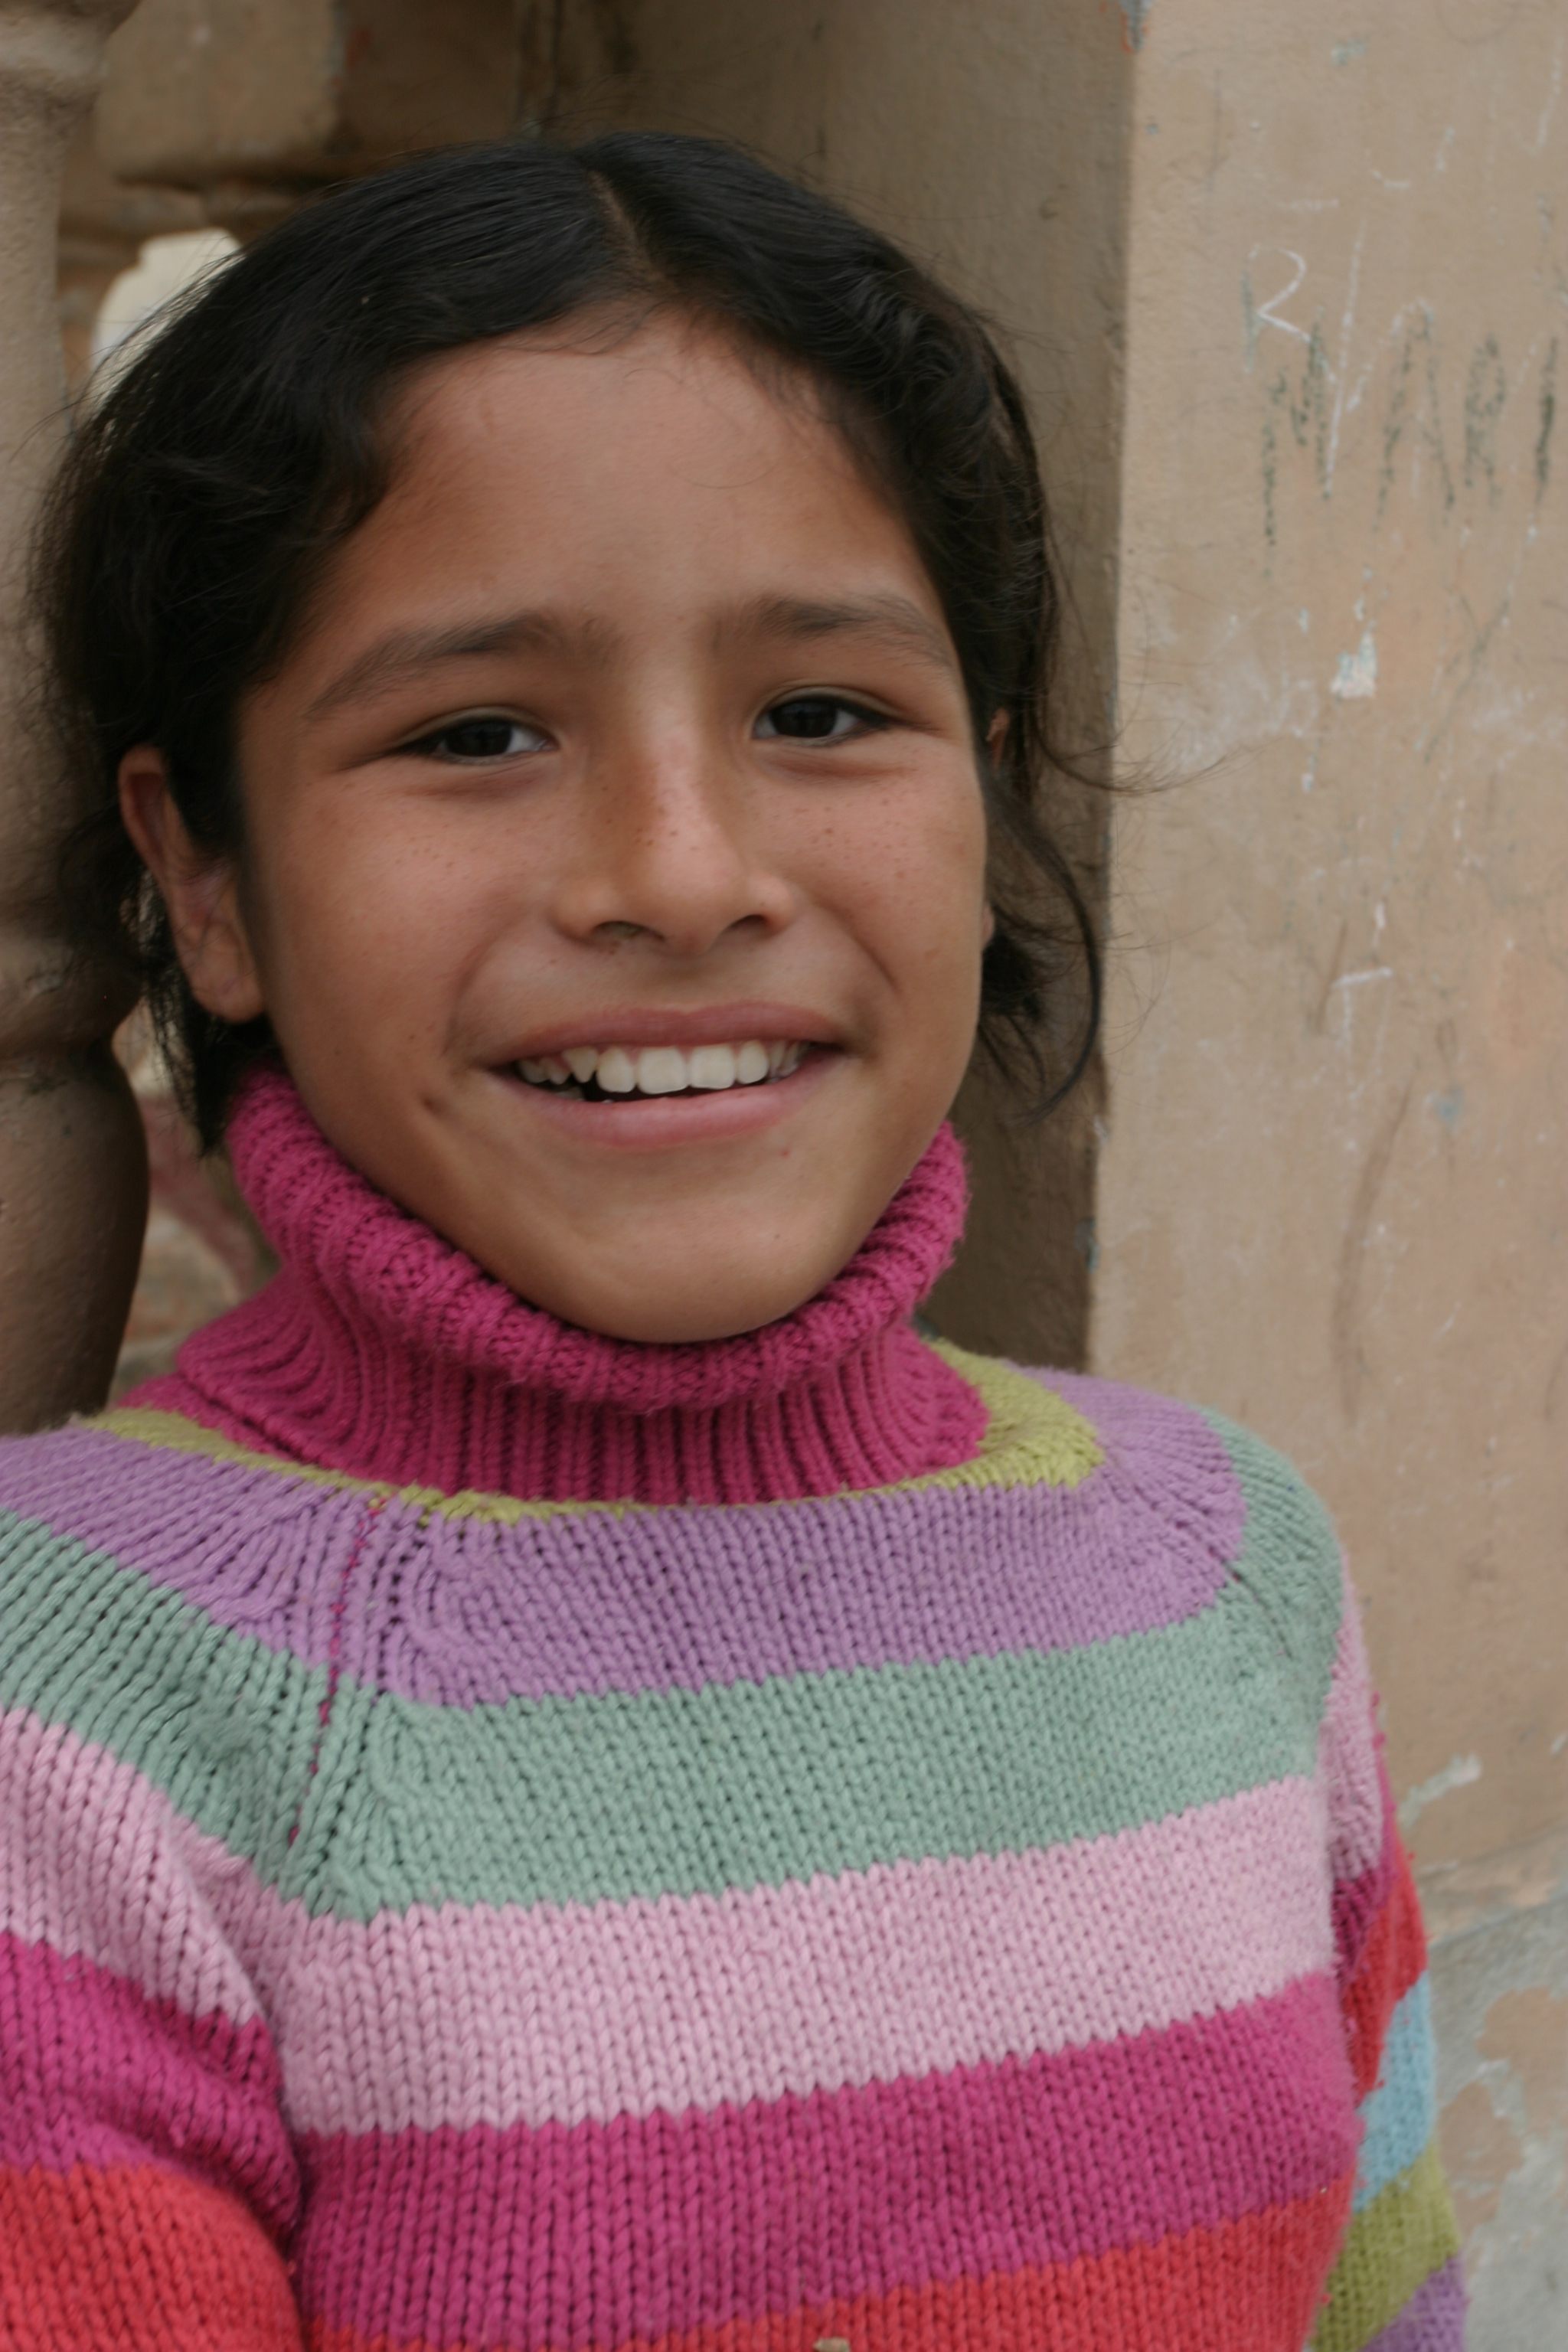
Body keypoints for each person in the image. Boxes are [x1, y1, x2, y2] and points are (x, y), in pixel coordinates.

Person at [0, 136, 1461, 2352]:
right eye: (475, 731)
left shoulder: (1231, 1574)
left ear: (979, 802)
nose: (680, 876)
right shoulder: (68, 1712)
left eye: (820, 716)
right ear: (199, 872)